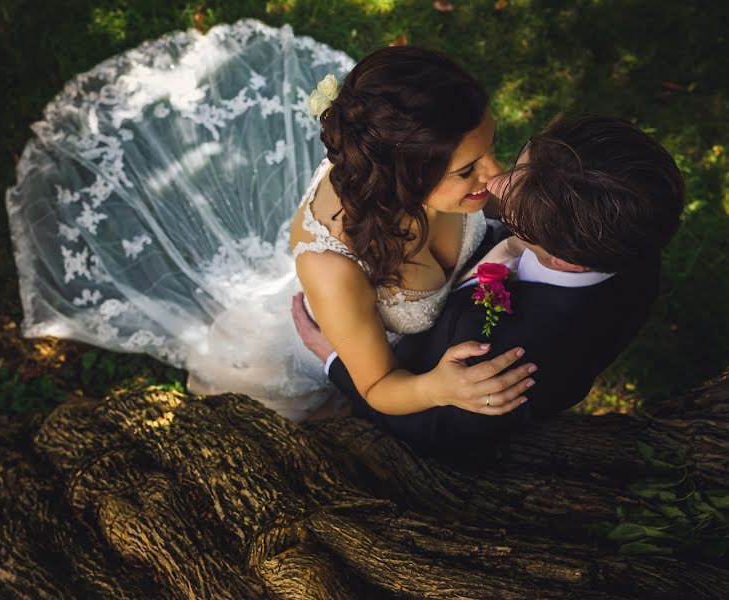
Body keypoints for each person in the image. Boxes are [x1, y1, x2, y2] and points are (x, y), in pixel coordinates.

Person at [4, 18, 529, 421]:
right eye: (469, 169)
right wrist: (438, 389)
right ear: (401, 177)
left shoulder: (423, 181)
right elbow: (375, 386)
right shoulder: (336, 267)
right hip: (341, 371)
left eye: (491, 149)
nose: (496, 173)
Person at [292, 113, 685, 456]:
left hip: (405, 368)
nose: (496, 183)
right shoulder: (631, 230)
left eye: (519, 206)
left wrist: (334, 358)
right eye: (521, 166)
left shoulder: (505, 363)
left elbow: (434, 432)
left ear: (563, 259)